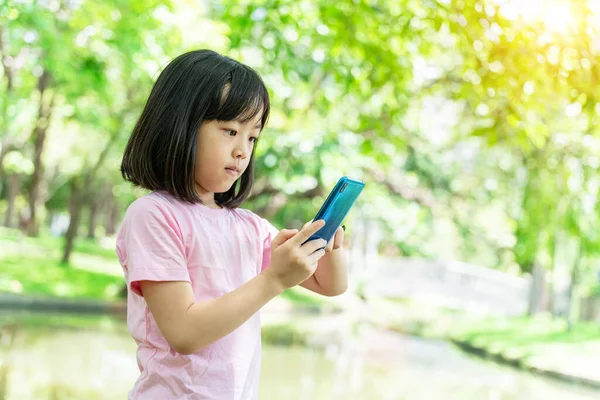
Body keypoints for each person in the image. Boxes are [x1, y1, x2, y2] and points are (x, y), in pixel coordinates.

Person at [115, 49, 348, 400]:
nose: (242, 150)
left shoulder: (248, 227)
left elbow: (330, 285)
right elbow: (184, 332)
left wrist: (328, 245)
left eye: (252, 137)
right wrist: (272, 280)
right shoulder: (154, 216)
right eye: (229, 130)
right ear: (179, 125)